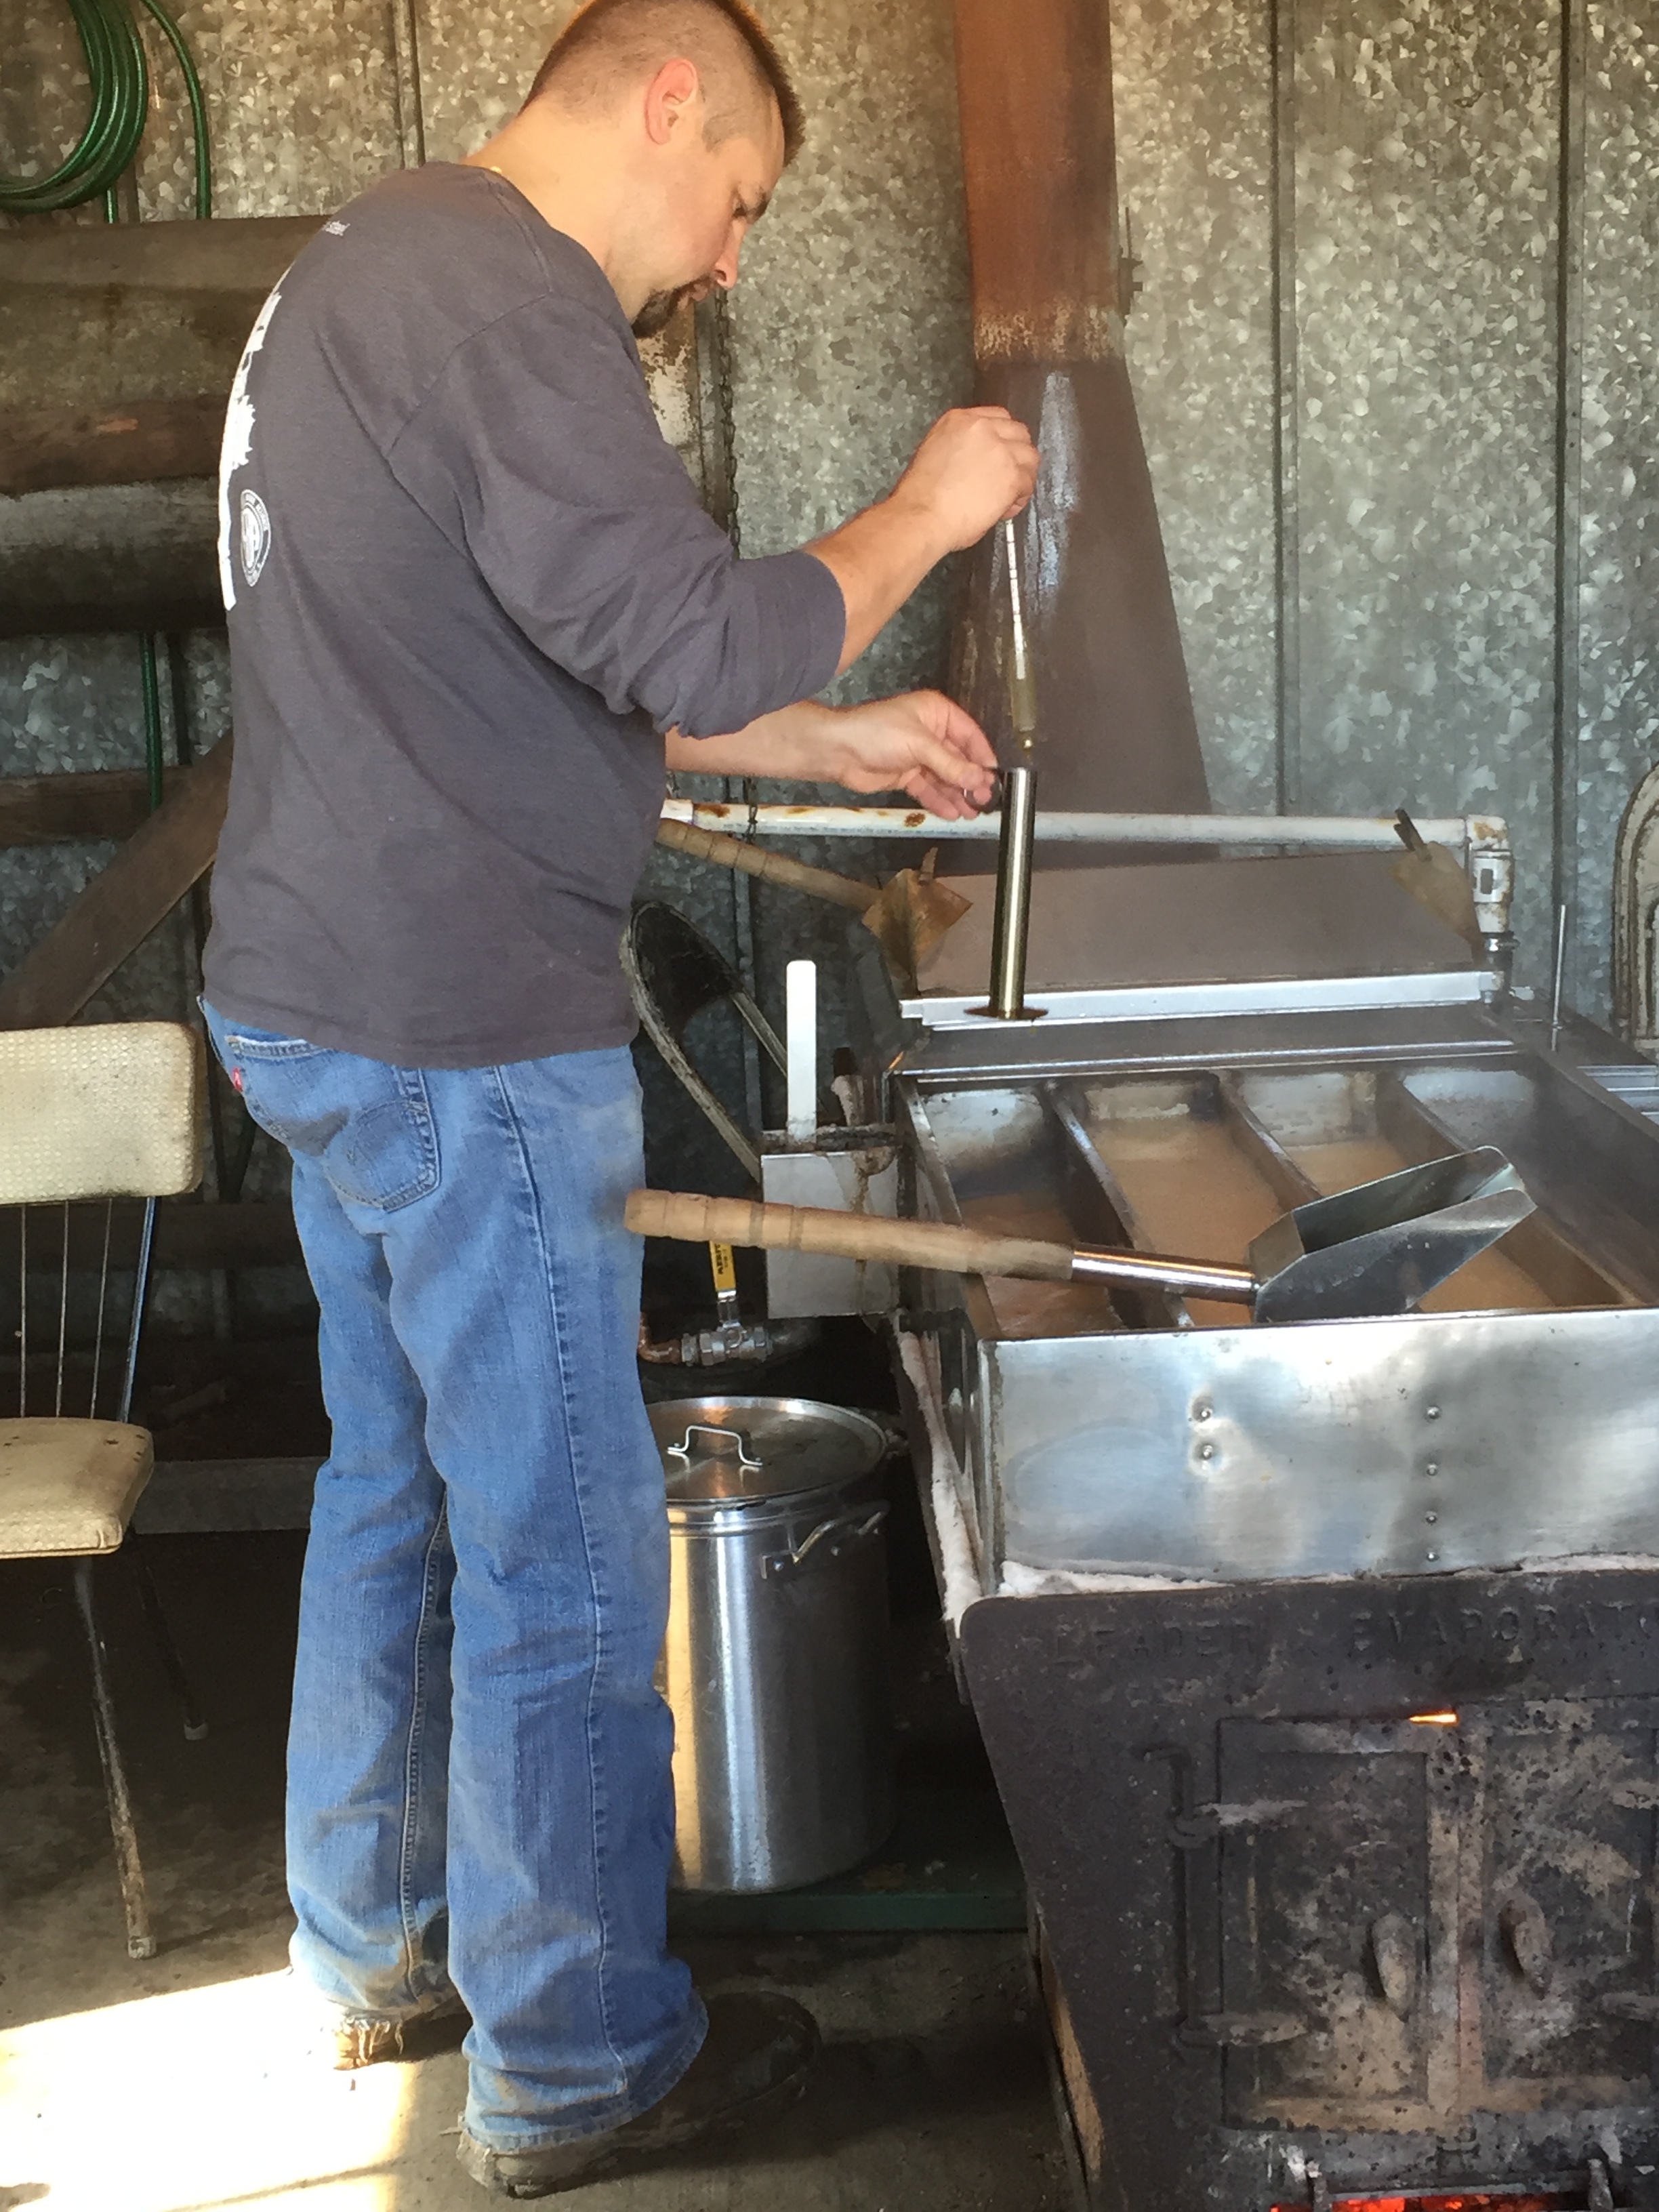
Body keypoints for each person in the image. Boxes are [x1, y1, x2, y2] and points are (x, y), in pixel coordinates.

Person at [203, 0, 1038, 2194]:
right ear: (671, 97)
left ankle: (370, 1945)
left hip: (315, 1000)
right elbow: (684, 638)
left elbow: (527, 664)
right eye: (742, 200)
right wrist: (922, 516)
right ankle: (577, 2061)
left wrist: (828, 740)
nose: (730, 259)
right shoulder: (506, 287)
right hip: (461, 1029)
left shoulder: (358, 271)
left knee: (392, 1486)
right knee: (567, 1548)